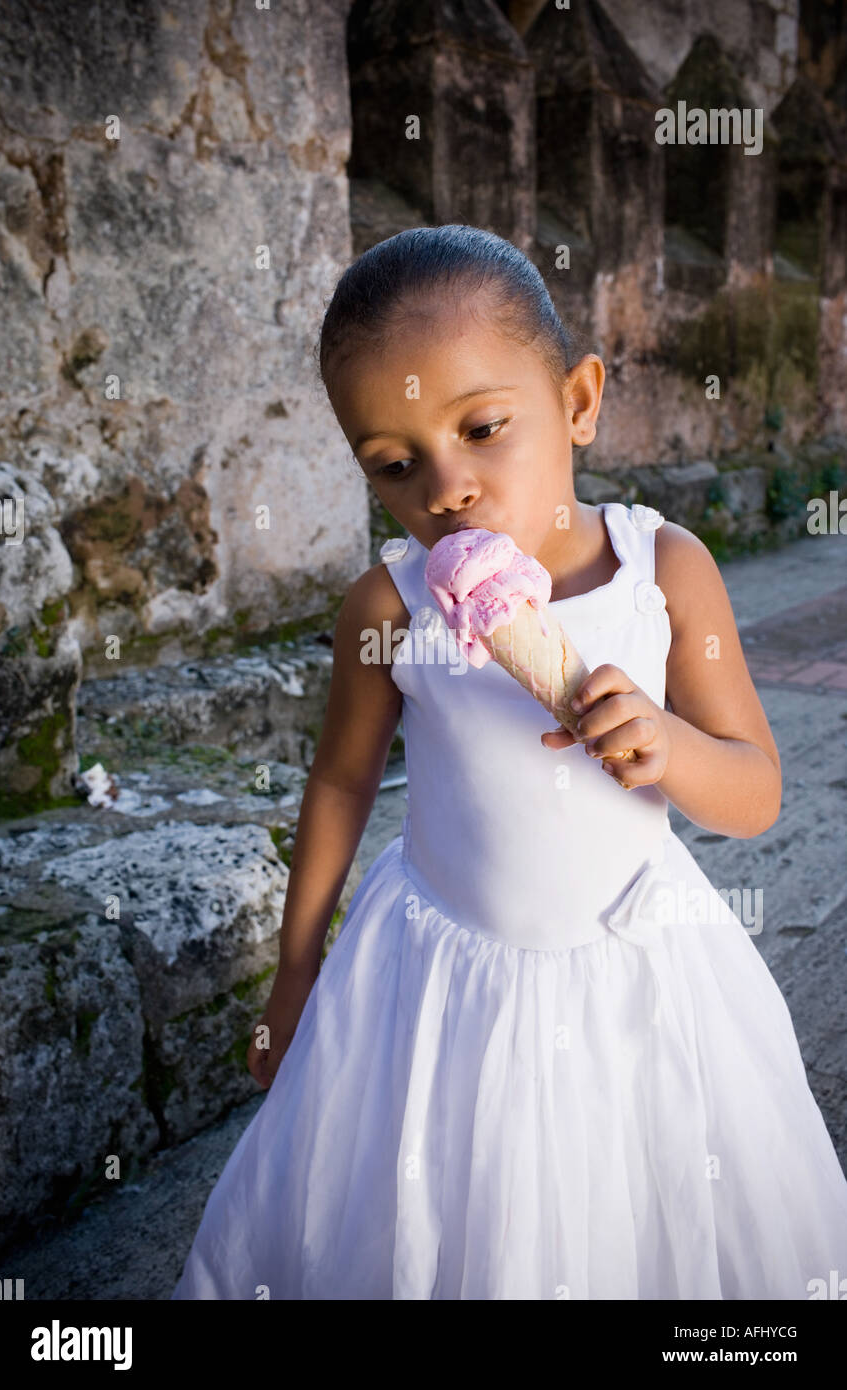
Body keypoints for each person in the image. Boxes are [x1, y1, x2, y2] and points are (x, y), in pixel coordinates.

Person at [171, 224, 847, 1300]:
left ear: (578, 402)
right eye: (393, 464)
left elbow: (755, 791)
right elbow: (343, 781)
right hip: (434, 983)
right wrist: (293, 974)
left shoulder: (663, 571)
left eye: (483, 428)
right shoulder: (387, 607)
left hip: (640, 971)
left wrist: (665, 744)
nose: (447, 488)